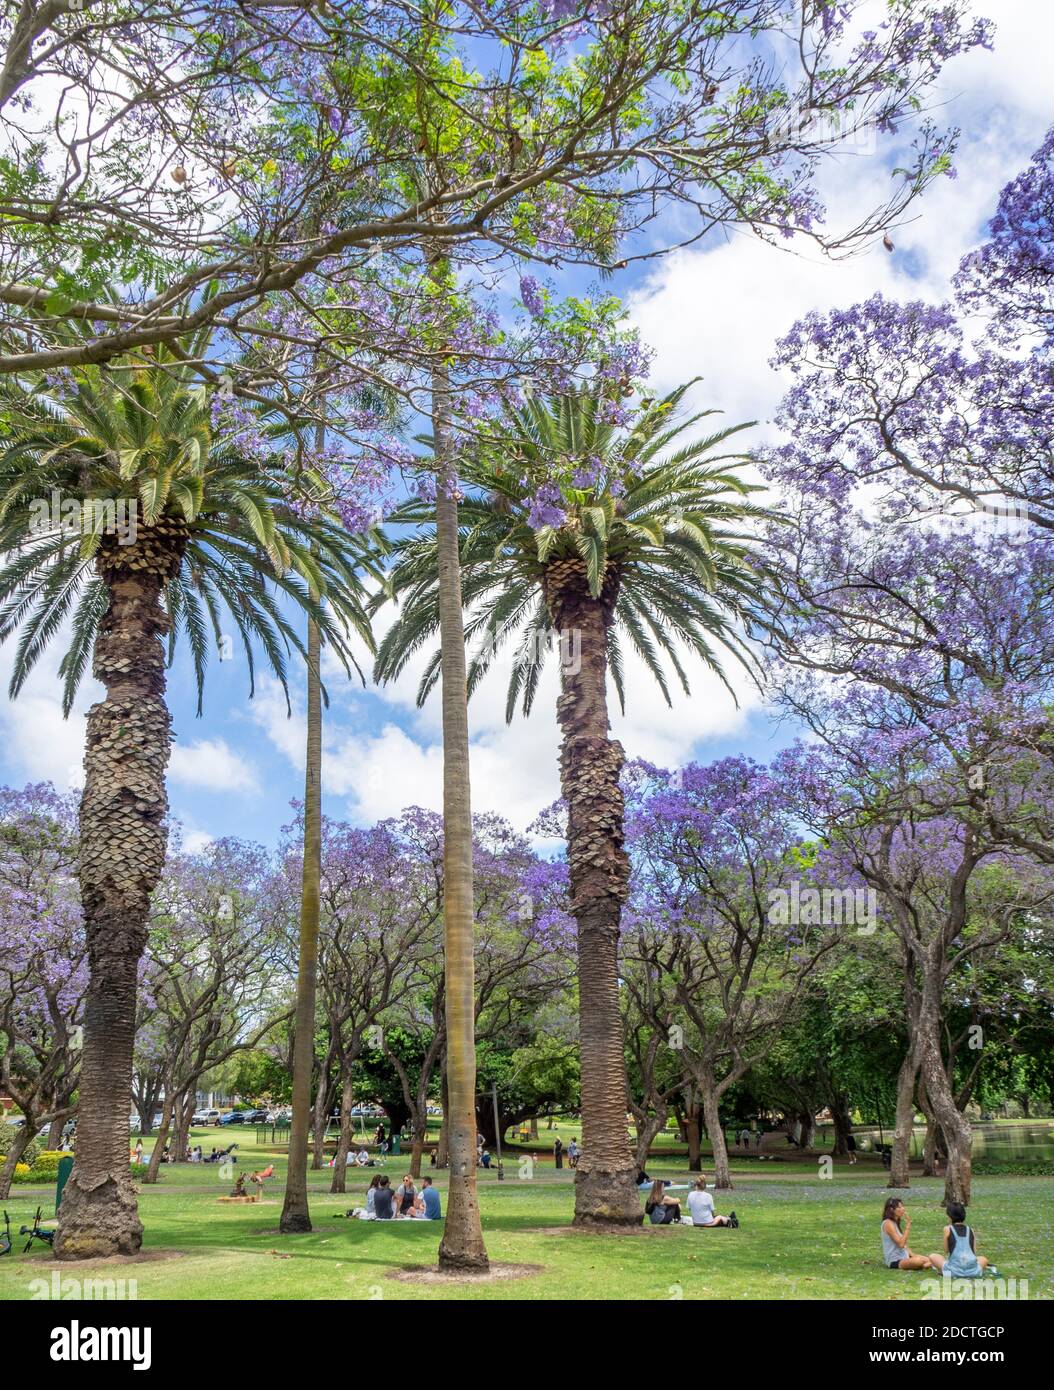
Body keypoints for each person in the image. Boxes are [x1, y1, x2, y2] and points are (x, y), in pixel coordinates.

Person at [930, 1203, 991, 1279]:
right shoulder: (970, 1230)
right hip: (972, 1271)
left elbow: (946, 1250)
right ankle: (970, 1272)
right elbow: (974, 1252)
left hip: (953, 1271)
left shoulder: (947, 1229)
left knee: (933, 1256)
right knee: (983, 1259)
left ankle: (944, 1272)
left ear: (949, 1217)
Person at [881, 1198, 936, 1271]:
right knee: (919, 1261)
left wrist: (913, 1255)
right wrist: (908, 1226)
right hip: (895, 1261)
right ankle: (925, 1265)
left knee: (932, 1259)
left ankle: (927, 1264)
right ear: (891, 1209)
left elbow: (904, 1246)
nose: (903, 1209)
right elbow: (901, 1244)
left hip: (905, 1257)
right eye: (899, 1207)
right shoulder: (888, 1223)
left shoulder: (895, 1222)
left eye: (903, 1206)